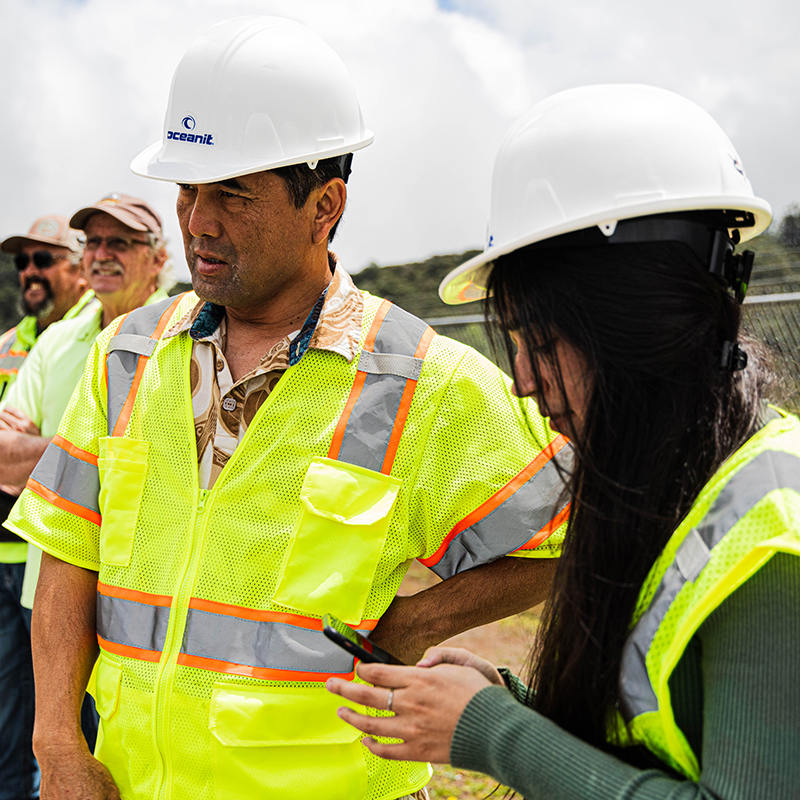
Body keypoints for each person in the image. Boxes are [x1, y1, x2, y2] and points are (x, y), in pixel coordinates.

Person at [7, 17, 570, 800]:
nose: (200, 219)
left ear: (325, 205)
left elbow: (562, 539)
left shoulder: (425, 382)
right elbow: (70, 546)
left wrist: (420, 623)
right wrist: (60, 746)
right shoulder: (127, 355)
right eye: (188, 190)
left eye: (232, 193)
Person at [327, 84, 800, 800]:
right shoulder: (679, 483)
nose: (520, 381)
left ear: (636, 324)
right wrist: (519, 708)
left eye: (541, 343)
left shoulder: (772, 533)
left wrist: (494, 733)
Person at [0, 213, 95, 800]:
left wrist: (40, 447)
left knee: (75, 727)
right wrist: (62, 448)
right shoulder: (10, 347)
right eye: (22, 262)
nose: (29, 273)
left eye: (44, 259)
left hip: (62, 564)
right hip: (6, 563)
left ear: (80, 267)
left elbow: (97, 460)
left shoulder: (106, 341)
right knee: (11, 726)